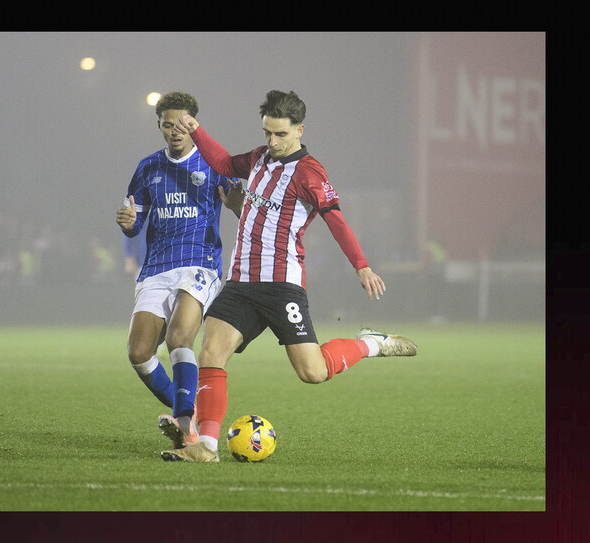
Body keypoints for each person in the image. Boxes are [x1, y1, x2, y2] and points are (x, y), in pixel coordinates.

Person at [161, 90, 418, 462]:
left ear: (299, 130)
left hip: (282, 287)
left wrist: (361, 266)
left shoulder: (310, 172)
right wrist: (198, 131)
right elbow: (222, 162)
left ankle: (370, 343)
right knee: (211, 354)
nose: (272, 142)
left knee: (312, 372)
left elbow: (337, 222)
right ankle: (207, 447)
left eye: (280, 134)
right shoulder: (260, 159)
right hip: (241, 282)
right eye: (268, 133)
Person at [115, 91, 244, 453]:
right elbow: (135, 221)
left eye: (182, 124)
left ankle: (186, 423)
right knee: (139, 352)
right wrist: (128, 223)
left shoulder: (213, 164)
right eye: (167, 124)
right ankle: (188, 411)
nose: (175, 131)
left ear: (194, 125)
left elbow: (245, 212)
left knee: (179, 338)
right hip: (157, 267)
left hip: (199, 262)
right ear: (159, 125)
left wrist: (237, 207)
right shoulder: (148, 167)